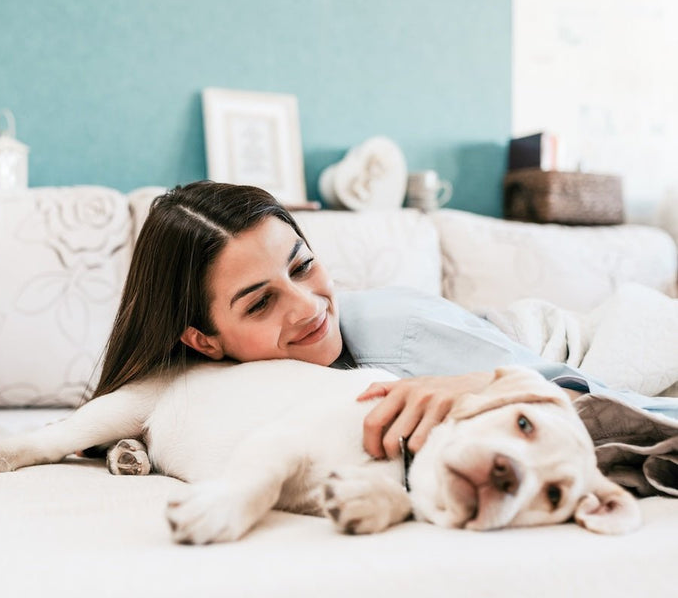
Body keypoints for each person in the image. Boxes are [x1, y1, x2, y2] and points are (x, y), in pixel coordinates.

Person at [92, 180, 678, 465]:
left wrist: (484, 384)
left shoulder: (397, 336)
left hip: (601, 346)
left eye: (303, 266)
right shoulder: (201, 383)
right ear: (203, 341)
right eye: (260, 303)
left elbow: (619, 406)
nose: (308, 307)